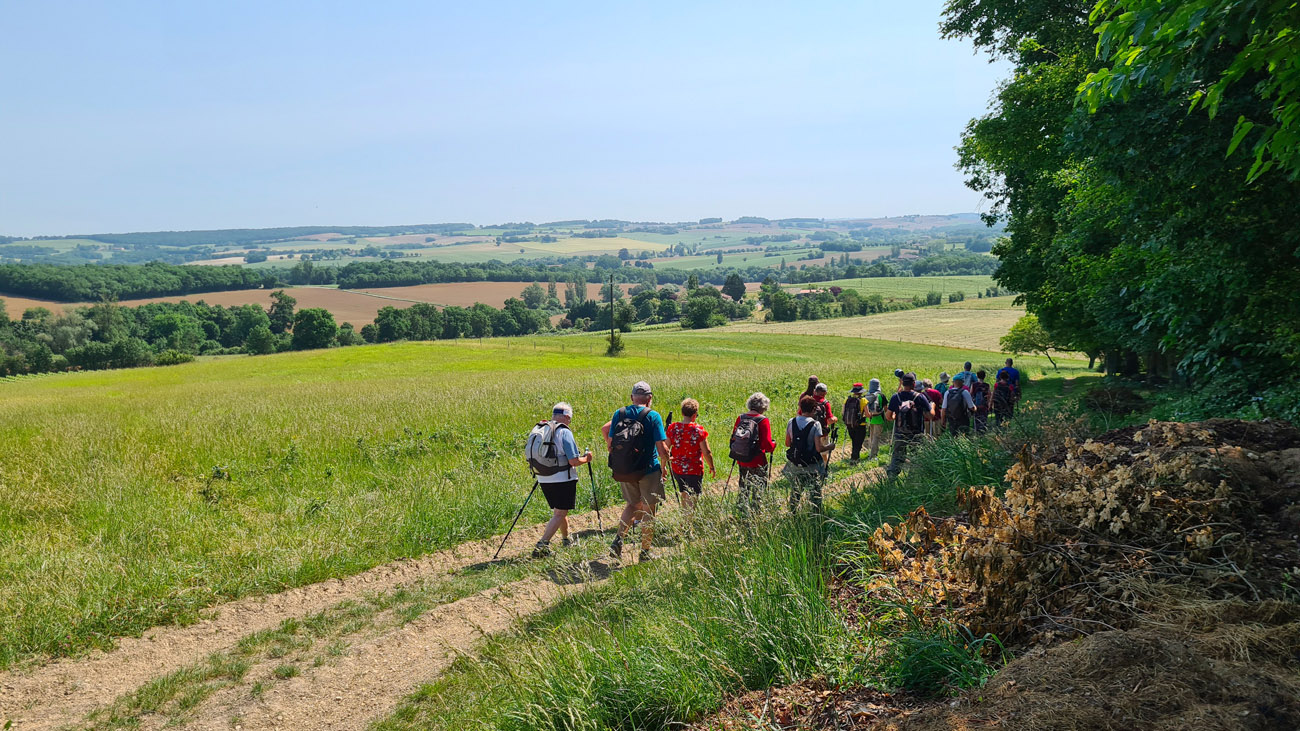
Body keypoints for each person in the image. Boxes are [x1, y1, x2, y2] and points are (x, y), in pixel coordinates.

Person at [602, 381, 670, 562]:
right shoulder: (653, 416)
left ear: (632, 397)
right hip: (648, 469)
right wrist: (664, 466)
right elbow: (662, 449)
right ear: (650, 398)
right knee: (648, 510)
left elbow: (610, 443)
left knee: (632, 505)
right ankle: (645, 552)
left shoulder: (619, 413)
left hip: (625, 469)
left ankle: (618, 539)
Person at [531, 402, 595, 558]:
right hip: (562, 478)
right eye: (570, 419)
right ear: (567, 417)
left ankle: (566, 539)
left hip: (542, 477)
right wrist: (586, 459)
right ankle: (542, 545)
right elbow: (573, 461)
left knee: (559, 510)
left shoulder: (541, 428)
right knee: (560, 512)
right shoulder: (564, 431)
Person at [666, 398, 715, 517]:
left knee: (684, 493)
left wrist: (663, 466)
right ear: (694, 415)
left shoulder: (673, 428)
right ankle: (688, 522)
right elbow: (707, 452)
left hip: (677, 468)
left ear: (682, 413)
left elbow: (666, 449)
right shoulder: (698, 430)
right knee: (692, 497)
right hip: (694, 469)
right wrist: (712, 467)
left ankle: (684, 518)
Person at [731, 392, 777, 516]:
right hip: (758, 460)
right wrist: (774, 445)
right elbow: (767, 445)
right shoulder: (763, 420)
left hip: (742, 458)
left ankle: (742, 513)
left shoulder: (741, 418)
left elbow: (734, 438)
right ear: (763, 406)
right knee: (758, 489)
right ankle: (757, 514)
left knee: (744, 487)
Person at [785, 395, 834, 512]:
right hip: (812, 465)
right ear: (813, 409)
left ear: (801, 408)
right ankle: (816, 514)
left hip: (796, 463)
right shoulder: (815, 424)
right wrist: (830, 446)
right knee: (815, 493)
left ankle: (793, 514)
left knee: (796, 492)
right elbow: (819, 448)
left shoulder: (791, 422)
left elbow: (787, 443)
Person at [885, 374, 932, 478]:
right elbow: (930, 415)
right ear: (914, 384)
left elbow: (888, 416)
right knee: (916, 456)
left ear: (902, 383)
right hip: (916, 434)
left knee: (897, 457)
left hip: (900, 433)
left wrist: (895, 416)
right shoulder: (920, 397)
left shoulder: (896, 397)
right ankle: (912, 479)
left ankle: (892, 477)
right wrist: (932, 406)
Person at [811, 382, 837, 465]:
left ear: (815, 391)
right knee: (823, 453)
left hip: (810, 432)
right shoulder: (825, 403)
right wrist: (835, 419)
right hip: (822, 432)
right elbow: (829, 420)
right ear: (825, 393)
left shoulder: (808, 401)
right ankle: (824, 468)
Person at [842, 383, 869, 463]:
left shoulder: (847, 400)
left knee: (854, 441)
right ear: (861, 391)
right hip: (860, 424)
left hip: (850, 424)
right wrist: (871, 415)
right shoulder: (863, 400)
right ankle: (854, 459)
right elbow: (867, 414)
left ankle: (854, 457)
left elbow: (843, 413)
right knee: (858, 442)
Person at [864, 378, 887, 459]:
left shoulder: (866, 395)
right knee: (876, 436)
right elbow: (886, 408)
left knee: (871, 436)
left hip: (869, 418)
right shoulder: (881, 396)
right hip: (878, 418)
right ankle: (873, 455)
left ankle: (871, 452)